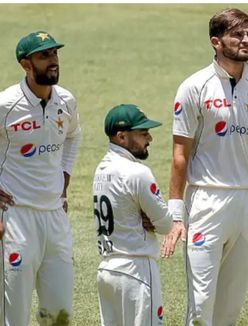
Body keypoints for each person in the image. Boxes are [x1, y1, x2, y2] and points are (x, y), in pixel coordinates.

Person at [160, 8, 248, 326]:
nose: (246, 40)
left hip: (246, 205)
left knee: (230, 310)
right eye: (237, 34)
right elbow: (180, 154)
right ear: (216, 42)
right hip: (206, 201)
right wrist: (176, 215)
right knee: (200, 306)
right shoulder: (194, 87)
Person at [0, 31, 81, 325]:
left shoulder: (67, 101)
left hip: (55, 216)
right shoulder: (5, 104)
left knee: (59, 311)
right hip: (15, 217)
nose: (53, 61)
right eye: (44, 56)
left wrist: (65, 179)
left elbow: (73, 136)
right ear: (26, 64)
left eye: (55, 54)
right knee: (14, 312)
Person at [93, 104, 181, 326]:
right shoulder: (138, 173)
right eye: (143, 133)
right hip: (136, 270)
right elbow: (165, 225)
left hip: (107, 271)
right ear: (122, 137)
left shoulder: (101, 169)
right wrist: (152, 217)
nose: (149, 138)